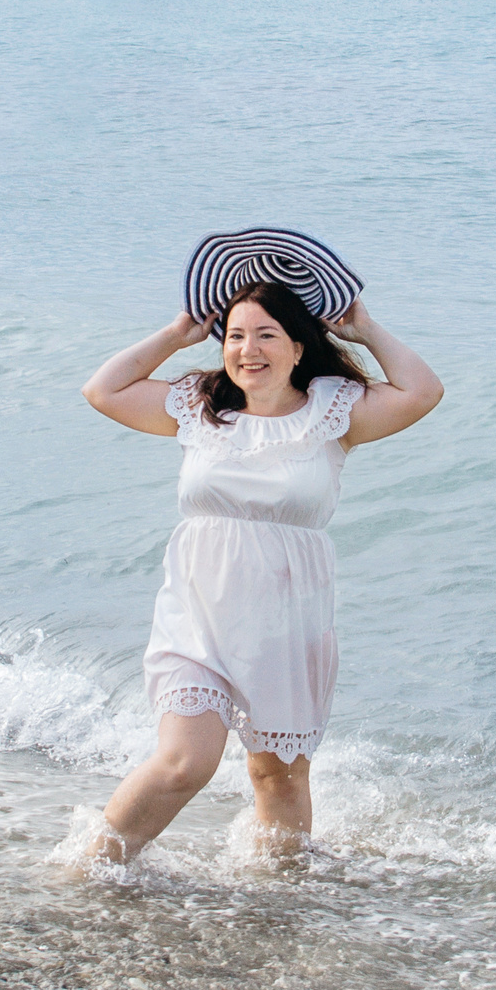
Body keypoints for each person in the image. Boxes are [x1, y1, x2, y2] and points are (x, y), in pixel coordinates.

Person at [77, 281, 442, 863]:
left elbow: (423, 391)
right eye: (236, 335)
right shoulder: (199, 406)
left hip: (286, 623)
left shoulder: (334, 413)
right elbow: (103, 389)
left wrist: (367, 330)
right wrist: (176, 335)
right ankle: (90, 870)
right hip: (196, 617)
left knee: (278, 778)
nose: (248, 348)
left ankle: (282, 900)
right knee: (182, 764)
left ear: (299, 347)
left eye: (266, 335)